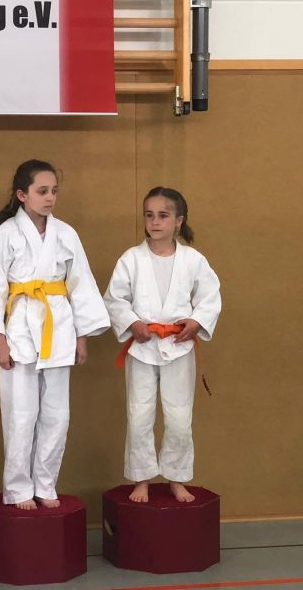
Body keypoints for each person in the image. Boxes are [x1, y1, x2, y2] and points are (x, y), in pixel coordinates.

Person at [0, 160, 109, 509]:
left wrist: (82, 335)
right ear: (22, 195)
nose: (50, 198)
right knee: (21, 413)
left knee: (57, 414)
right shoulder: (6, 234)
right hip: (19, 326)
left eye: (54, 191)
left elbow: (81, 284)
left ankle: (46, 484)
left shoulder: (66, 234)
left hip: (59, 324)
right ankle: (18, 488)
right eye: (42, 191)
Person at [104, 186, 220, 503]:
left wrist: (196, 322)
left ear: (179, 221)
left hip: (179, 345)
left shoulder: (193, 260)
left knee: (180, 418)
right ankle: (141, 479)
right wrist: (132, 323)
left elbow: (210, 297)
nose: (155, 222)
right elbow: (115, 299)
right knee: (139, 416)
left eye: (163, 216)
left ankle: (176, 478)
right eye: (150, 215)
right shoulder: (131, 259)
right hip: (142, 347)